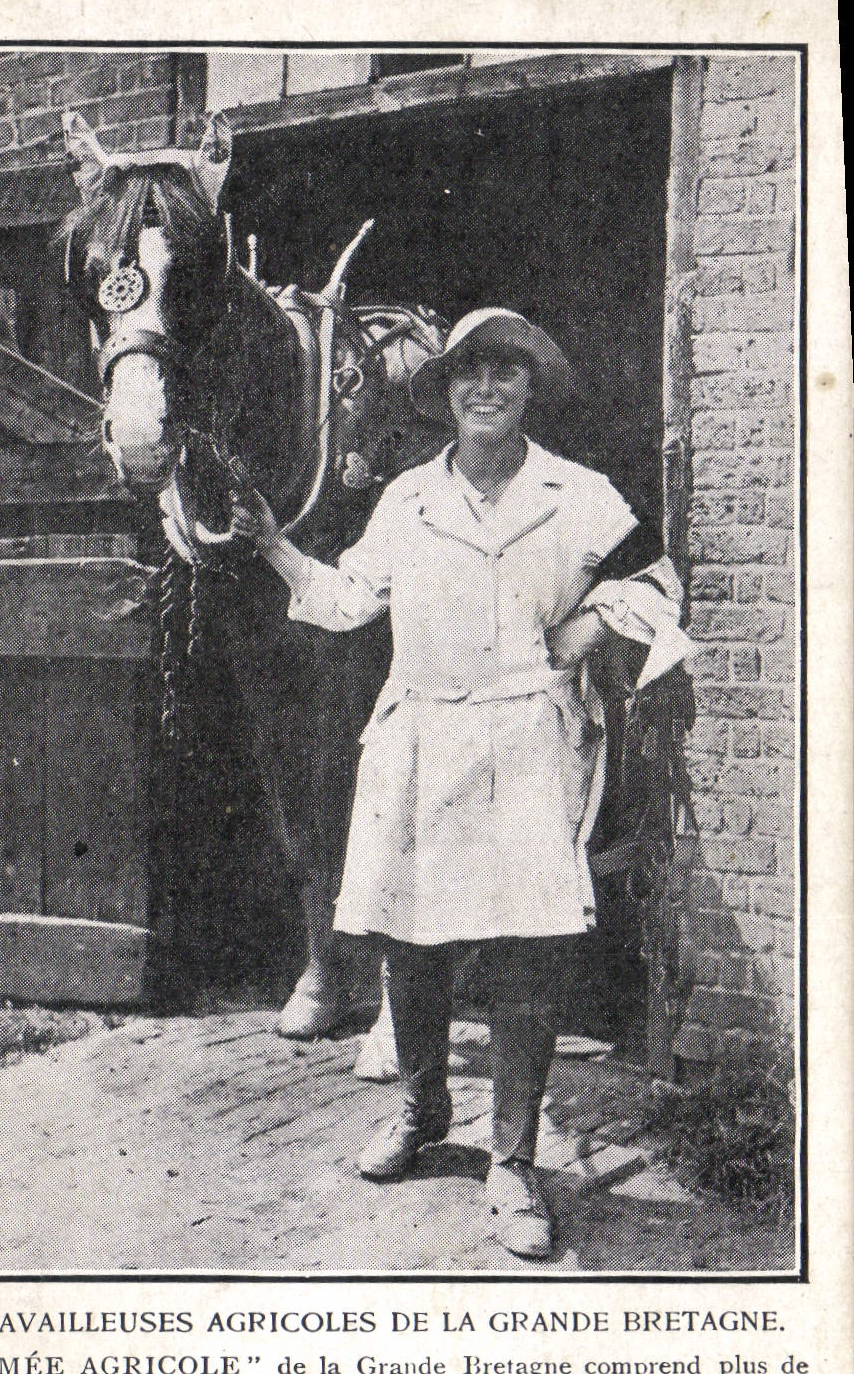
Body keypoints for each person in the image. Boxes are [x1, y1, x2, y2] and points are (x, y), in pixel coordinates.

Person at [231, 307, 690, 1259]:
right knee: (413, 934)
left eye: (505, 373)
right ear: (444, 395)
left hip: (528, 733)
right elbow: (349, 599)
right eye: (467, 375)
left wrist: (588, 628)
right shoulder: (405, 500)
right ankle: (423, 1110)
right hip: (421, 730)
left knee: (526, 947)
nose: (485, 389)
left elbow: (657, 584)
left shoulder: (582, 494)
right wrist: (274, 543)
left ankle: (514, 1161)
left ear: (531, 388)